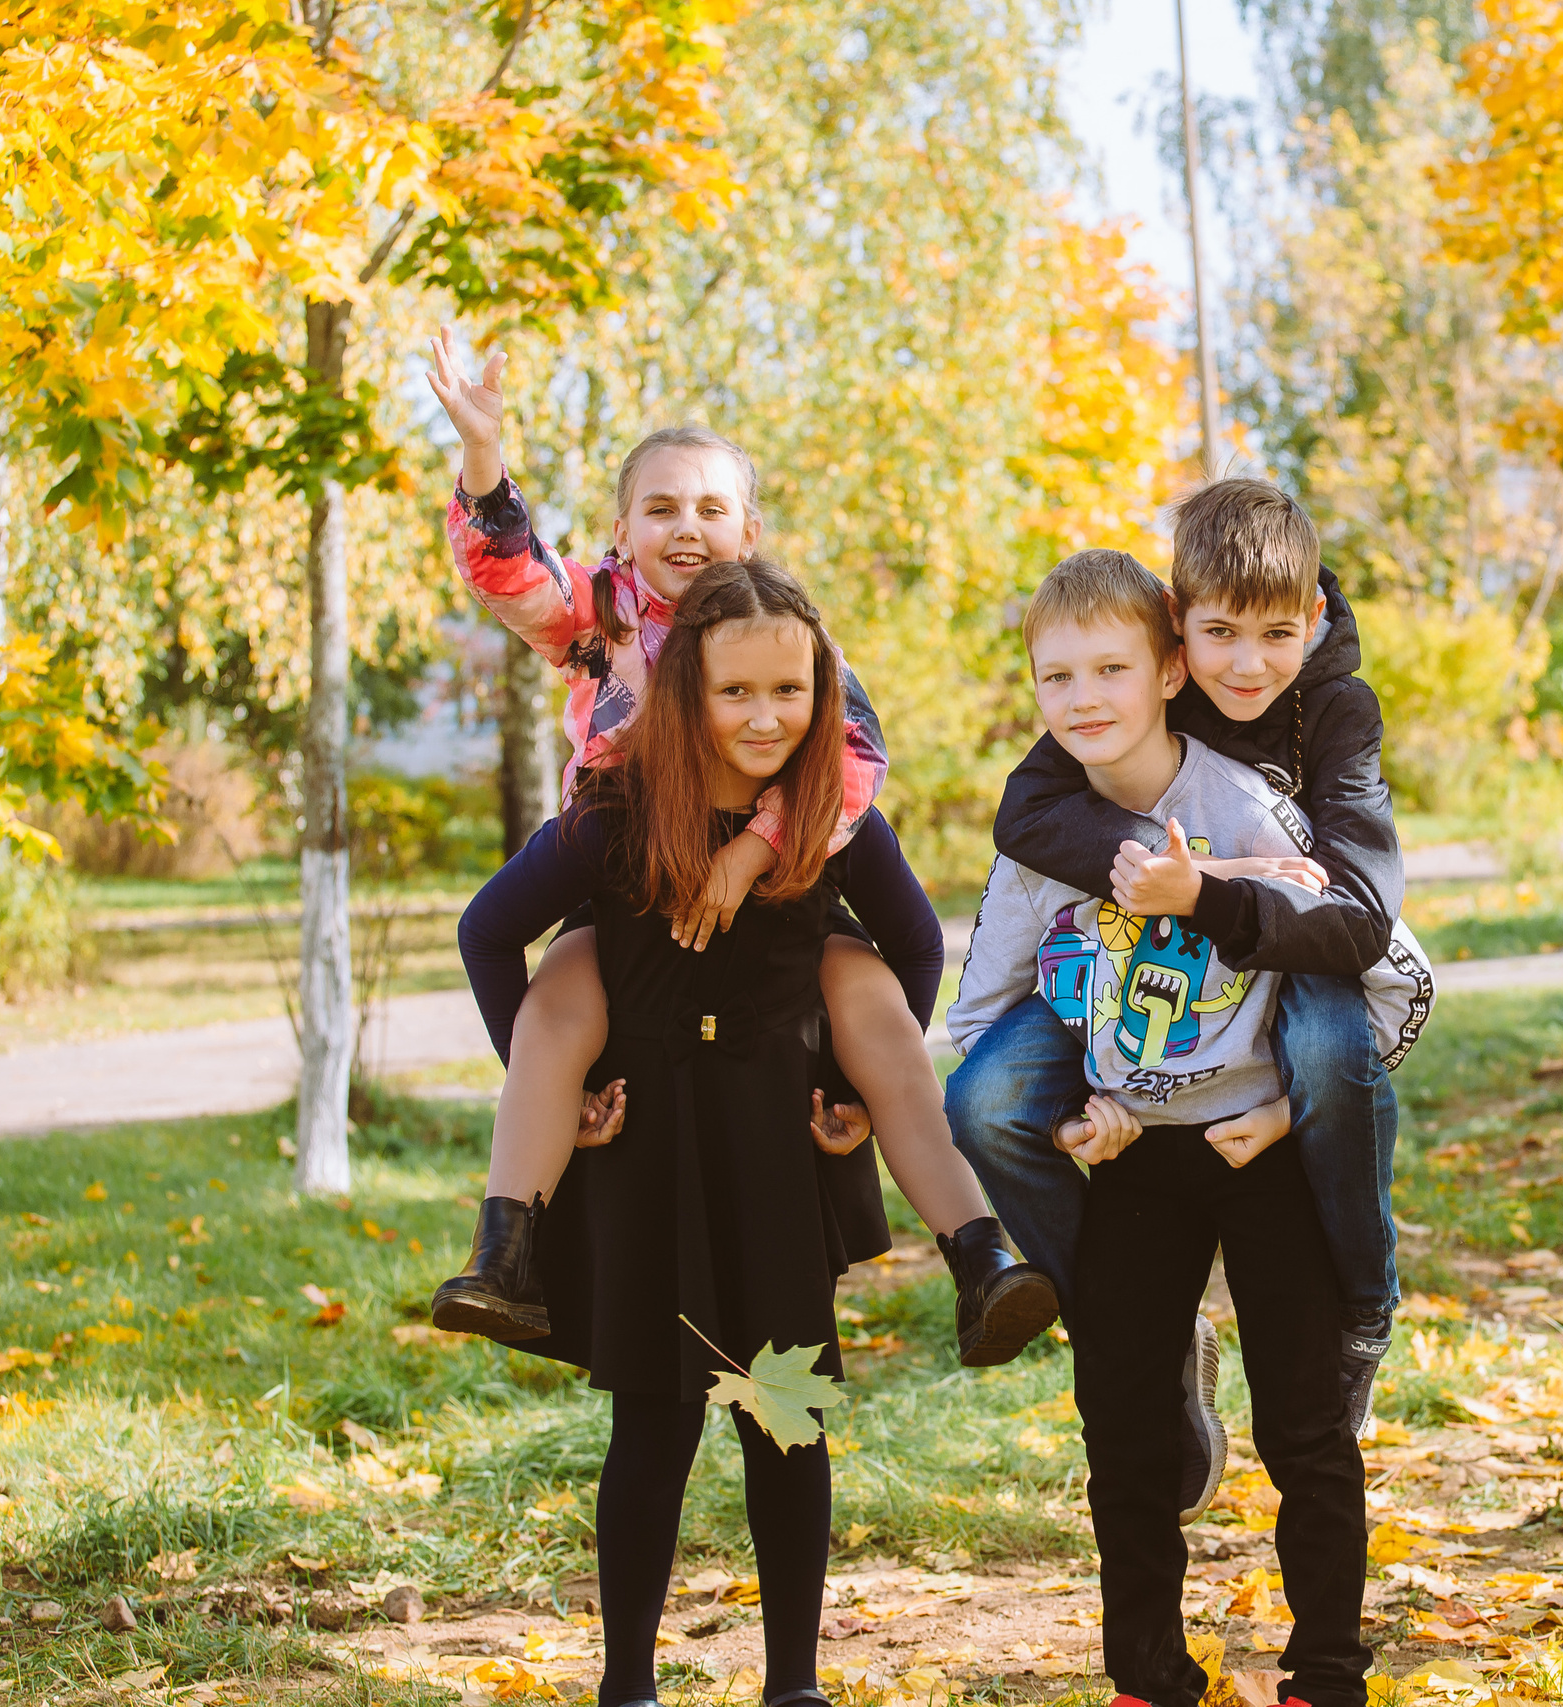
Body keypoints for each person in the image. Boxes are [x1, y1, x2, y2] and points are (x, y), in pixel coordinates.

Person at [421, 332, 1054, 1369]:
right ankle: (506, 1258)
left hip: (787, 877)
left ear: (749, 533)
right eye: (661, 508)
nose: (686, 527)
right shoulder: (602, 618)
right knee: (559, 1008)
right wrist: (485, 457)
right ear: (620, 534)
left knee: (872, 1009)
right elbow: (506, 576)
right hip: (626, 868)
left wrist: (754, 850)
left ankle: (981, 1258)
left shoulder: (784, 635)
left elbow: (855, 760)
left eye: (712, 508)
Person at [946, 548, 1410, 1707]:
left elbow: (1385, 967)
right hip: (1135, 1167)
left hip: (1259, 1152)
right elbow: (987, 1016)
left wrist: (1292, 1104)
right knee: (1123, 1425)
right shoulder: (1038, 843)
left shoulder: (1246, 807)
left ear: (1168, 672)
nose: (1084, 699)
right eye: (1057, 680)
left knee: (1303, 1426)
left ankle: (1326, 1671)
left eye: (1110, 668)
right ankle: (1148, 1674)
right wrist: (1068, 1122)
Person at [457, 558, 882, 1707]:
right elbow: (489, 932)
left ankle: (794, 1686)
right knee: (652, 1431)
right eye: (731, 693)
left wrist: (853, 1087)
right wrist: (554, 1083)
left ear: (818, 691)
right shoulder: (616, 813)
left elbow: (914, 944)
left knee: (783, 1423)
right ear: (683, 685)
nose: (760, 717)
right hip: (648, 1165)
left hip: (775, 1166)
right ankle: (626, 1688)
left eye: (785, 695)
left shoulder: (825, 823)